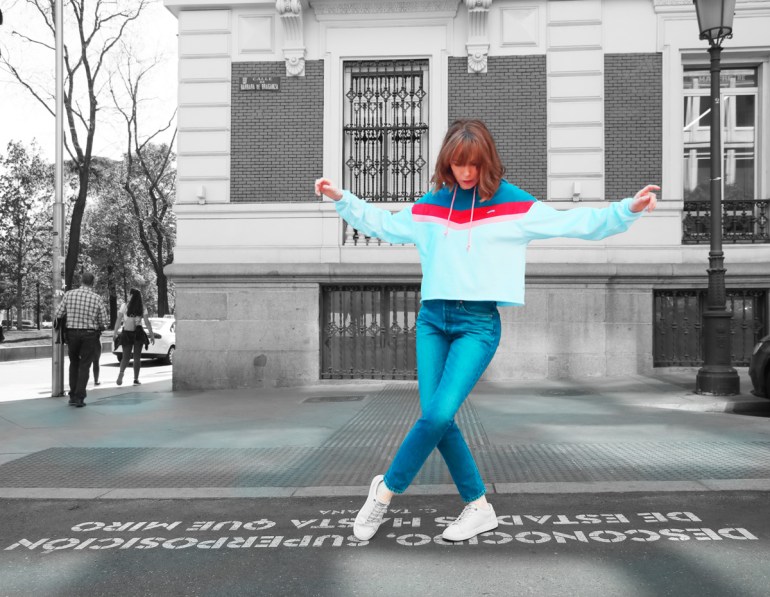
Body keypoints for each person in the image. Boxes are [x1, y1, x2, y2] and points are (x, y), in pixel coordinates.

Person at [314, 119, 659, 543]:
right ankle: (478, 507)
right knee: (437, 419)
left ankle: (383, 493)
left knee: (437, 415)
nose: (466, 172)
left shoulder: (514, 205)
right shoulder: (431, 206)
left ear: (487, 162)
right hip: (432, 321)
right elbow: (383, 225)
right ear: (447, 163)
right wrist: (343, 199)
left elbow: (575, 222)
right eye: (458, 164)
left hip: (477, 325)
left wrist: (627, 209)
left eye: (474, 164)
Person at [54, 271, 108, 407]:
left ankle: (72, 396)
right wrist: (98, 325)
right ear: (93, 283)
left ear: (81, 280)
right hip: (89, 335)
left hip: (72, 334)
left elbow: (58, 313)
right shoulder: (97, 298)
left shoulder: (69, 294)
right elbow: (104, 322)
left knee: (74, 363)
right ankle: (79, 398)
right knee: (85, 365)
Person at [113, 288, 154, 386]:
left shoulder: (124, 305)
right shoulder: (142, 307)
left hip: (127, 332)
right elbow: (147, 322)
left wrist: (115, 332)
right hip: (138, 333)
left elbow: (119, 319)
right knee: (137, 357)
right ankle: (136, 379)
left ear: (131, 295)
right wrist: (151, 334)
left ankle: (121, 373)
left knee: (126, 356)